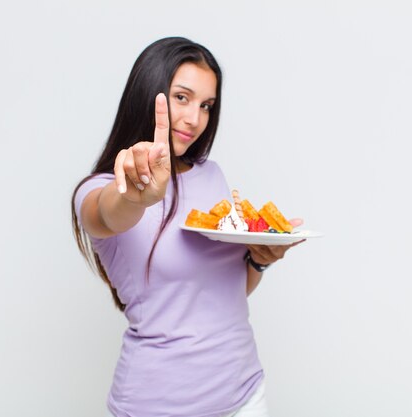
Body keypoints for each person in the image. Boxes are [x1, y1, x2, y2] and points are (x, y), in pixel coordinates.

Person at [71, 37, 304, 417]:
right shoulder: (97, 191)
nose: (195, 119)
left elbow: (226, 291)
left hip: (244, 394)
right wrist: (138, 196)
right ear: (150, 92)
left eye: (206, 105)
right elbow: (110, 213)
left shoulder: (212, 176)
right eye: (182, 97)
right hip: (157, 406)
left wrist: (260, 261)